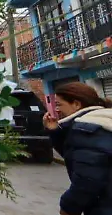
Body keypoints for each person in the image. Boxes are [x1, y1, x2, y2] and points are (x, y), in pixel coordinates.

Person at [43, 82, 112, 215]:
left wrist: (68, 208)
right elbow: (77, 157)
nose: (56, 110)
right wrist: (55, 131)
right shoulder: (103, 122)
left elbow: (87, 181)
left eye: (59, 104)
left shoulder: (88, 130)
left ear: (76, 104)